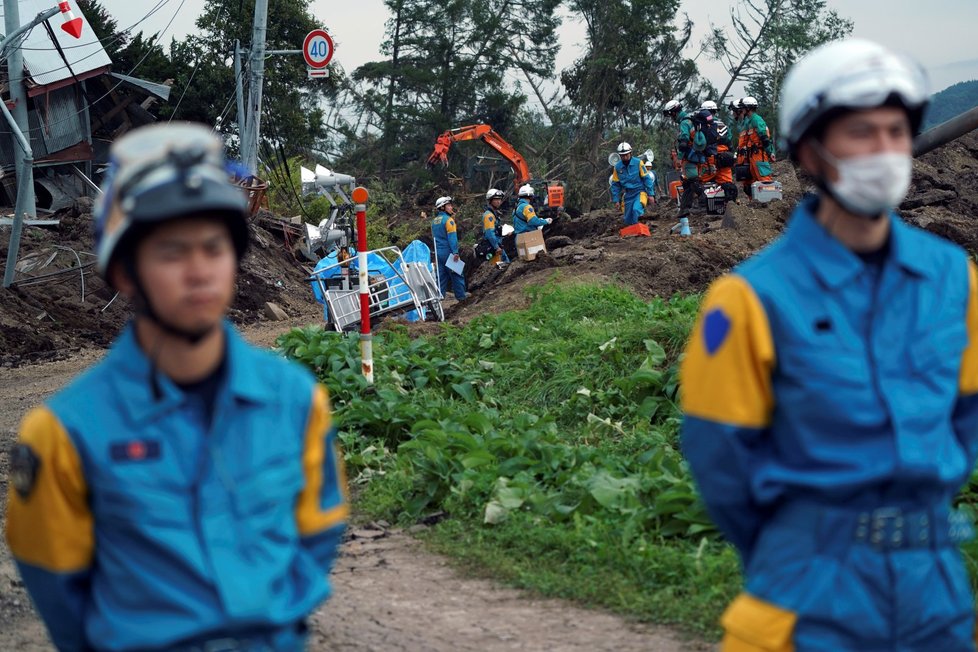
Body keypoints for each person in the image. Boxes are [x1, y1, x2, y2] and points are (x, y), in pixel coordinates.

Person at [5, 122, 349, 652]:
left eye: (214, 248)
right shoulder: (60, 436)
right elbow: (59, 592)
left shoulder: (296, 402)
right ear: (124, 271)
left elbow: (318, 534)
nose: (199, 272)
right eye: (171, 251)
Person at [680, 39, 978, 650]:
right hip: (807, 599)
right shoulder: (746, 300)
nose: (886, 151)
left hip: (935, 593)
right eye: (860, 133)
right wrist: (806, 542)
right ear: (810, 151)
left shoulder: (955, 279)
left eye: (896, 132)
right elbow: (720, 460)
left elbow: (968, 419)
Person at [663, 99, 706, 219]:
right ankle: (684, 209)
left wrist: (680, 154)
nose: (671, 118)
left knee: (693, 180)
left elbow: (684, 140)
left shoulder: (684, 122)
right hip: (694, 154)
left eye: (671, 115)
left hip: (690, 156)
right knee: (687, 183)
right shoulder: (689, 119)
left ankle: (704, 202)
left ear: (674, 113)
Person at [609, 141, 656, 226]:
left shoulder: (638, 163)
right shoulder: (617, 167)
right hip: (628, 195)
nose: (625, 157)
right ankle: (632, 232)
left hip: (639, 192)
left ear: (630, 153)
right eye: (623, 155)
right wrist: (616, 200)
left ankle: (640, 229)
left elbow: (647, 178)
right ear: (620, 156)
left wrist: (650, 194)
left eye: (627, 154)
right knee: (628, 219)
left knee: (636, 210)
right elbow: (615, 185)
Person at [700, 100, 738, 203]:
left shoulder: (704, 126)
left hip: (710, 158)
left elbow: (701, 142)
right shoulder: (723, 125)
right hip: (725, 157)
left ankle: (705, 207)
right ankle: (731, 206)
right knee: (727, 182)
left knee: (703, 181)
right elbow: (729, 141)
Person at [738, 96, 776, 196]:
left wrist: (770, 152)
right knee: (754, 179)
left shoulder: (756, 119)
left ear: (748, 108)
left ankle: (770, 200)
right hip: (753, 154)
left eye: (743, 108)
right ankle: (758, 202)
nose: (741, 110)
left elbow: (764, 137)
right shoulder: (749, 121)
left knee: (763, 177)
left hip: (759, 153)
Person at [431, 195, 466, 299]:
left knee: (441, 278)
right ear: (443, 207)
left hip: (438, 253)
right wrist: (455, 252)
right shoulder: (449, 220)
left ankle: (439, 301)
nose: (451, 208)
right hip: (448, 252)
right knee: (457, 274)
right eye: (449, 205)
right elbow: (452, 238)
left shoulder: (434, 222)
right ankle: (461, 298)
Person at [482, 188, 509, 266]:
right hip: (493, 247)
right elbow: (490, 233)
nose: (499, 201)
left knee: (505, 265)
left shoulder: (493, 214)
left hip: (497, 244)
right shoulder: (489, 215)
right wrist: (496, 247)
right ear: (490, 201)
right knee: (499, 267)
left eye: (500, 199)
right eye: (496, 199)